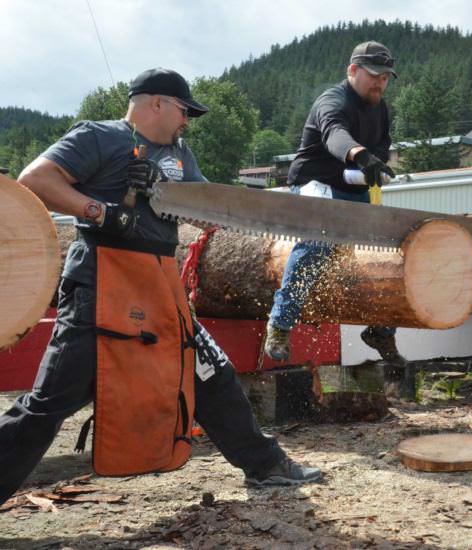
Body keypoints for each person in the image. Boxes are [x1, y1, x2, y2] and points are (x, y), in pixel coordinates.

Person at [0, 68, 321, 506]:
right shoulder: (99, 136)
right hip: (102, 280)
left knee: (209, 371)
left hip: (158, 281)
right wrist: (102, 211)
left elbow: (205, 207)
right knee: (51, 402)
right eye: (184, 110)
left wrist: (252, 212)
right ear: (156, 103)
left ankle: (265, 465)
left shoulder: (181, 154)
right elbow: (34, 179)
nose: (188, 120)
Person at [264, 41, 403, 368]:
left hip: (352, 187)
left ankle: (381, 330)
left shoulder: (380, 109)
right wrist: (359, 155)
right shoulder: (333, 100)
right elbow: (334, 135)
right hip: (315, 182)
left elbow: (381, 147)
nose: (380, 83)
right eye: (374, 75)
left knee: (386, 251)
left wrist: (376, 165)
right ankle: (280, 324)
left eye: (386, 77)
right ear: (353, 71)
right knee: (318, 239)